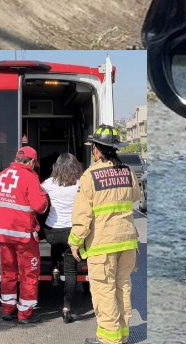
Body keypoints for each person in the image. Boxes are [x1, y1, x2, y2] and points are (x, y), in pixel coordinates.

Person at [71, 126, 141, 344]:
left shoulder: (90, 175)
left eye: (93, 147)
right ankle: (121, 335)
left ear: (97, 150)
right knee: (123, 289)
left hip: (102, 245)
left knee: (105, 292)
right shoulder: (128, 171)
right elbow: (135, 196)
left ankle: (109, 340)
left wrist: (75, 241)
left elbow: (83, 215)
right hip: (127, 242)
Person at [0, 145, 49, 324]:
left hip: (3, 234)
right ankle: (25, 313)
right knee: (28, 274)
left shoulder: (1, 175)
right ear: (31, 161)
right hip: (23, 235)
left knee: (7, 273)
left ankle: (7, 310)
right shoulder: (29, 177)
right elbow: (39, 206)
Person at [42, 152, 84, 323]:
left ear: (56, 167)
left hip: (51, 232)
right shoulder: (81, 184)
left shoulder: (49, 183)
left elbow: (36, 194)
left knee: (56, 244)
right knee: (71, 270)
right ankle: (66, 308)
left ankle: (54, 270)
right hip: (71, 232)